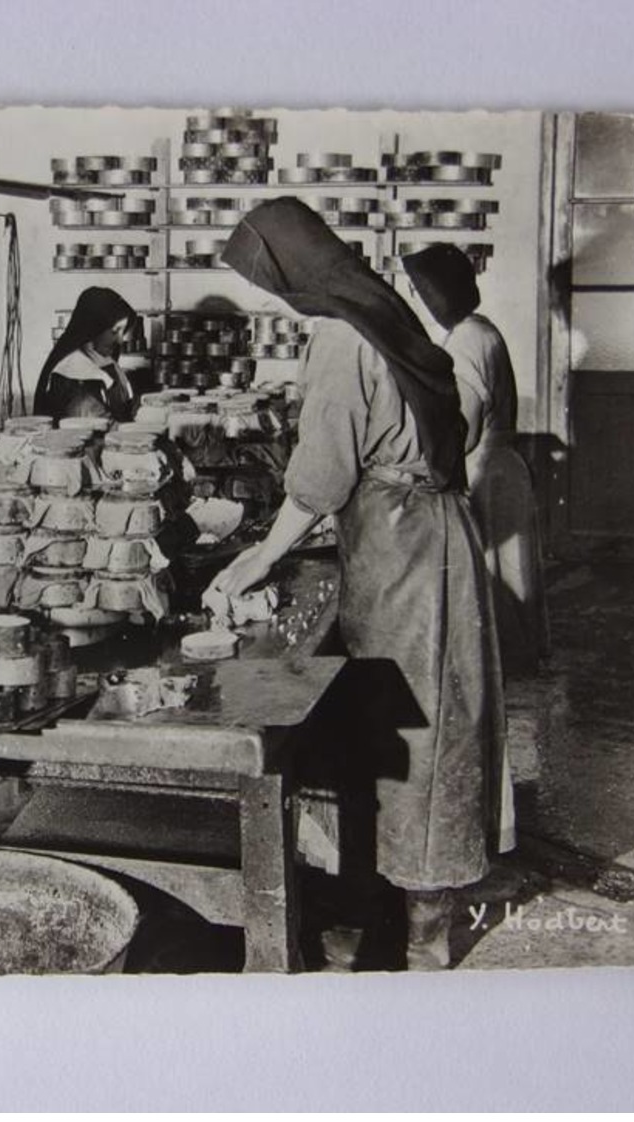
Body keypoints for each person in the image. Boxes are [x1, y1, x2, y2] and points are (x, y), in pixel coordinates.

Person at [204, 199, 510, 969]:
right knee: (410, 726)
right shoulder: (380, 306)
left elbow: (320, 479)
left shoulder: (340, 336)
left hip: (406, 550)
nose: (277, 299)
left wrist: (256, 559)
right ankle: (398, 916)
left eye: (270, 284)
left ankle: (424, 940)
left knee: (417, 737)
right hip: (428, 533)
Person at [403, 244, 547, 676]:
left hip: (485, 471)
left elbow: (462, 433)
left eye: (417, 291)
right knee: (509, 572)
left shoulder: (466, 340)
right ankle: (515, 662)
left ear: (436, 295)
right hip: (505, 466)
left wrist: (423, 467)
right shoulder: (483, 329)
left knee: (491, 573)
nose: (415, 299)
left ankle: (499, 672)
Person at [32, 286, 139, 422]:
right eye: (114, 331)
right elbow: (99, 424)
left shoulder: (101, 358)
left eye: (122, 331)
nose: (120, 339)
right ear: (95, 328)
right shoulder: (71, 375)